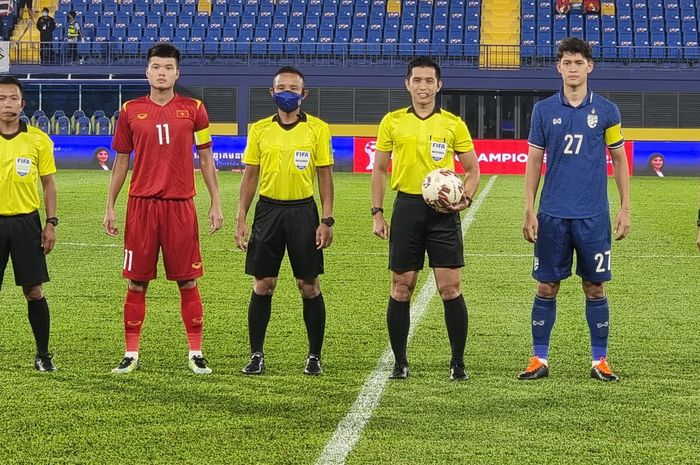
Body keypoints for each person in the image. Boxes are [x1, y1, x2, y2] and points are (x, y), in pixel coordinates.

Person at [103, 44, 223, 375]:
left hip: (180, 206)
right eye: (156, 67)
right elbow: (122, 161)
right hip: (141, 206)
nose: (161, 72)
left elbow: (206, 157)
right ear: (147, 72)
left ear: (177, 73)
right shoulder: (129, 110)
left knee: (188, 281)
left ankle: (196, 352)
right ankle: (130, 353)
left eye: (168, 68)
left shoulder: (195, 108)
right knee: (136, 283)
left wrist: (215, 201)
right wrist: (110, 205)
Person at [519, 37, 631, 382]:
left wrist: (625, 207)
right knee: (546, 287)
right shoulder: (543, 110)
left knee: (595, 287)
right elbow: (534, 160)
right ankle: (539, 358)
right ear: (559, 67)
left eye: (578, 63)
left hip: (593, 215)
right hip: (552, 214)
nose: (572, 69)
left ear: (589, 67)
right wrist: (528, 207)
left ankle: (600, 361)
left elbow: (619, 159)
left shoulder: (608, 111)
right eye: (566, 63)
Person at [371, 56, 480, 381]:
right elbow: (378, 169)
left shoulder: (453, 123)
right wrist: (378, 212)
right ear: (408, 84)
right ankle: (400, 362)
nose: (423, 86)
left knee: (450, 288)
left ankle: (457, 363)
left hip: (443, 213)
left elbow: (473, 169)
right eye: (417, 80)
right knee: (401, 287)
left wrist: (466, 198)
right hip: (406, 208)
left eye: (429, 81)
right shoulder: (392, 122)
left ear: (438, 85)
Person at [236, 66, 334, 376]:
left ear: (304, 94)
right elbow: (250, 176)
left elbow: (325, 177)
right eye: (282, 87)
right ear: (272, 92)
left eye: (294, 88)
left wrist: (327, 219)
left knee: (309, 286)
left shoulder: (318, 129)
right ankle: (256, 355)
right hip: (268, 212)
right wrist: (242, 216)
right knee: (263, 285)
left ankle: (314, 356)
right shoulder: (260, 129)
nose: (287, 93)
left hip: (303, 213)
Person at [0, 75, 58, 372]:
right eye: (1, 99)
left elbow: (48, 185)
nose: (7, 104)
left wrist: (50, 223)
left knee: (34, 290)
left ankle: (43, 354)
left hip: (26, 223)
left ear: (23, 104)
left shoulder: (38, 139)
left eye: (12, 98)